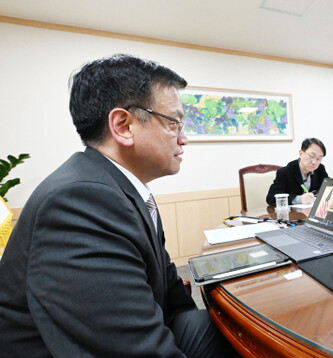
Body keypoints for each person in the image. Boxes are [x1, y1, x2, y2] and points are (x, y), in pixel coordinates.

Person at [0, 54, 239, 357]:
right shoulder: (78, 203)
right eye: (174, 123)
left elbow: (169, 287)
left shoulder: (121, 188)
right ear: (123, 125)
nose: (184, 138)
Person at [266, 138, 329, 206]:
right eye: (311, 156)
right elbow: (271, 198)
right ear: (301, 153)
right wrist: (299, 199)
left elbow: (329, 186)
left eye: (319, 159)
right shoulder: (285, 172)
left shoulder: (320, 169)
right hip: (292, 214)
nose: (314, 162)